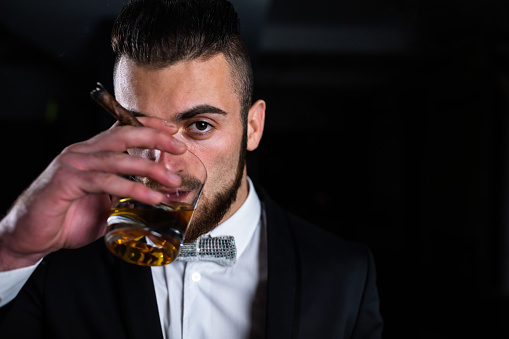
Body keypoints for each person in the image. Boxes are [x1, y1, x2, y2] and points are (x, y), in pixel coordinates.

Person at [0, 0, 383, 338]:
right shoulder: (54, 266)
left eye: (200, 126)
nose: (163, 164)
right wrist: (12, 251)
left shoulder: (344, 274)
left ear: (252, 127)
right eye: (139, 129)